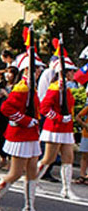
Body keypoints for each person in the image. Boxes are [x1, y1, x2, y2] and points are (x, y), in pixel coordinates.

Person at [0, 52, 46, 211]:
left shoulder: (30, 87)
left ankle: (29, 208)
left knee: (32, 171)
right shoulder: (22, 87)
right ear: (26, 70)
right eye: (36, 69)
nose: (38, 72)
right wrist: (26, 121)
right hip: (20, 135)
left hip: (30, 134)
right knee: (16, 173)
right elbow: (6, 109)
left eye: (39, 70)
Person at [36, 58, 80, 200]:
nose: (74, 73)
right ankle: (33, 181)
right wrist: (59, 118)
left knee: (69, 158)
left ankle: (67, 189)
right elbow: (44, 108)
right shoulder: (55, 88)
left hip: (66, 129)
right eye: (72, 71)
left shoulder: (66, 88)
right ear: (64, 73)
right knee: (48, 158)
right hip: (54, 128)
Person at [0, 65, 19, 169]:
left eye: (10, 73)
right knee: (0, 137)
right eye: (7, 72)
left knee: (10, 137)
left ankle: (10, 161)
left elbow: (15, 101)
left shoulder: (17, 86)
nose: (8, 75)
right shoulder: (1, 84)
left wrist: (6, 94)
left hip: (11, 116)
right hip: (0, 115)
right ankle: (2, 159)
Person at [74, 100, 88, 185]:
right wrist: (84, 125)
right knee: (84, 155)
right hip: (86, 134)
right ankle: (82, 175)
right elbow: (78, 116)